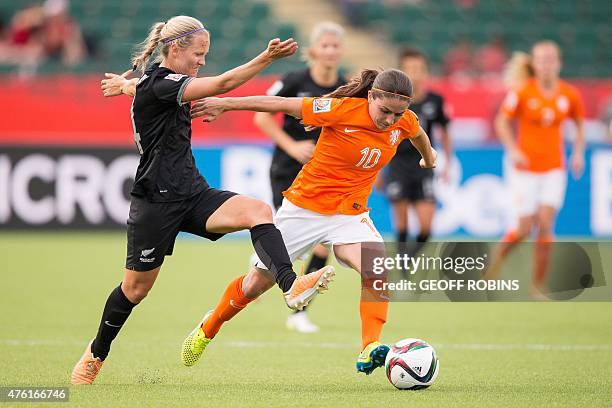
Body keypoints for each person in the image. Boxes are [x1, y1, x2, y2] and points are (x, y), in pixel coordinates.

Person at [70, 15, 335, 385]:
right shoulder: (161, 85)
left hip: (193, 193)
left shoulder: (156, 83)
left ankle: (291, 286)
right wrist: (266, 58)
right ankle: (96, 353)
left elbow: (145, 88)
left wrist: (124, 85)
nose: (202, 61)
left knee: (258, 210)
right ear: (175, 49)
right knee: (135, 290)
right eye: (198, 53)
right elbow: (223, 83)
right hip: (154, 204)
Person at [187, 68, 437, 375]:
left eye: (397, 114)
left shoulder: (405, 120)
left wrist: (429, 156)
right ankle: (208, 327)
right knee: (254, 285)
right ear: (371, 97)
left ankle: (369, 346)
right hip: (303, 210)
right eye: (384, 111)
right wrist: (227, 104)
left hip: (350, 213)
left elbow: (418, 135)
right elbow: (280, 105)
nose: (389, 120)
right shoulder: (340, 110)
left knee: (376, 268)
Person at [253, 21, 347, 333]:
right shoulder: (294, 80)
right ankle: (260, 273)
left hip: (324, 178)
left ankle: (298, 312)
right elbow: (261, 115)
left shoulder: (346, 88)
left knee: (321, 246)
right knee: (286, 240)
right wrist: (291, 145)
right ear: (313, 51)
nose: (331, 51)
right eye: (326, 45)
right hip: (287, 170)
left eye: (336, 46)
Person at [486, 41, 585, 298]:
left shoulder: (569, 94)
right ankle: (490, 270)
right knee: (522, 229)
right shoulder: (522, 92)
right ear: (535, 64)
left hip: (554, 169)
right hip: (525, 170)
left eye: (551, 59)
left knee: (544, 224)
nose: (547, 64)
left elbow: (579, 125)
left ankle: (537, 286)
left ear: (559, 63)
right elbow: (502, 122)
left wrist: (578, 153)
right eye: (541, 59)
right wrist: (513, 149)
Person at [382, 48, 451, 259]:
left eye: (420, 69)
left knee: (426, 228)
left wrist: (447, 161)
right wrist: (378, 170)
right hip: (397, 166)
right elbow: (381, 135)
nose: (415, 73)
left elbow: (445, 131)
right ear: (401, 73)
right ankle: (402, 271)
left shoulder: (435, 101)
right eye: (410, 69)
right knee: (401, 225)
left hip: (424, 165)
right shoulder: (391, 102)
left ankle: (409, 259)